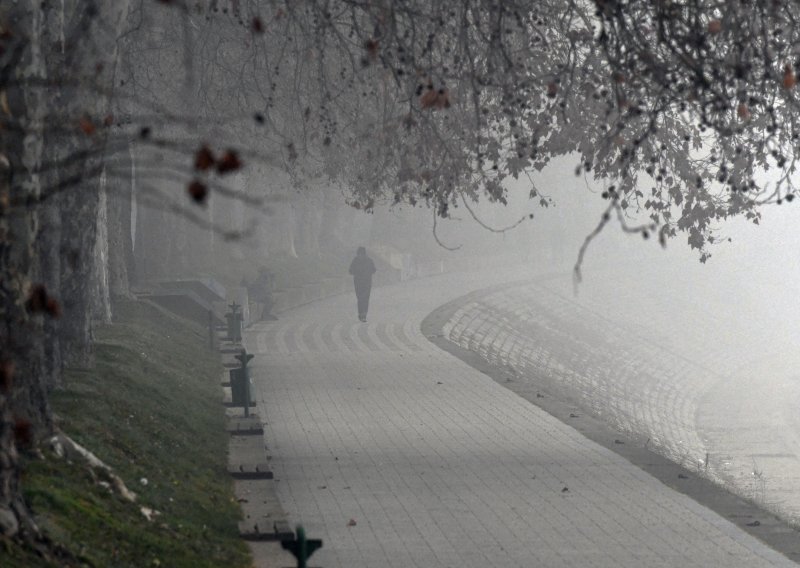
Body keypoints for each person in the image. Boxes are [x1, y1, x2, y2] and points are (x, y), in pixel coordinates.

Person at [348, 246, 376, 322]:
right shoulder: (368, 260)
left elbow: (350, 271)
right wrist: (367, 273)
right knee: (363, 299)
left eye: (359, 254)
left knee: (362, 299)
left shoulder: (356, 260)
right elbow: (374, 270)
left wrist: (357, 273)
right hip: (364, 283)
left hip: (360, 283)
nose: (359, 256)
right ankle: (363, 314)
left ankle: (362, 314)